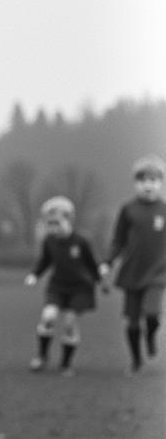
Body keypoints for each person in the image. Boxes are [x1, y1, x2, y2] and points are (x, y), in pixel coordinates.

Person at [23, 196, 106, 377]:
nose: (52, 228)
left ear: (68, 219)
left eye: (56, 223)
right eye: (49, 224)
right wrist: (34, 275)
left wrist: (102, 280)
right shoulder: (50, 241)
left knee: (69, 322)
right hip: (58, 286)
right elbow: (44, 261)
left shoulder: (82, 241)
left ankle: (66, 364)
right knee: (48, 316)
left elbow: (94, 263)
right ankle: (42, 356)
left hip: (80, 288)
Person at [101, 154, 166, 375]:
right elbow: (118, 240)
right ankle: (136, 359)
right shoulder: (128, 209)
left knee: (152, 314)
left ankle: (151, 335)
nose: (148, 185)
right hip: (132, 272)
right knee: (132, 322)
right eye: (143, 180)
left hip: (159, 272)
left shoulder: (164, 209)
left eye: (153, 180)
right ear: (136, 183)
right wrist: (108, 262)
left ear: (160, 183)